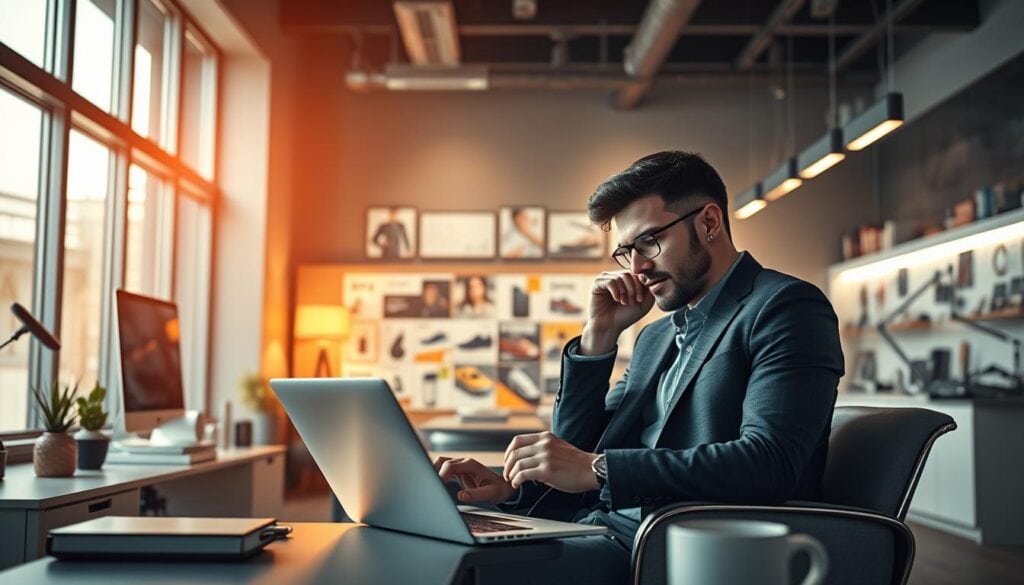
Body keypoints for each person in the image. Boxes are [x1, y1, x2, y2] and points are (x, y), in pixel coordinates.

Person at [434, 151, 844, 584]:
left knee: (455, 570)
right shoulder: (655, 336)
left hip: (669, 544)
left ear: (709, 222)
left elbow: (769, 462)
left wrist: (598, 469)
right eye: (627, 251)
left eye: (649, 242)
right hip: (600, 528)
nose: (638, 267)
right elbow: (581, 447)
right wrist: (598, 338)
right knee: (432, 541)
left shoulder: (784, 307)